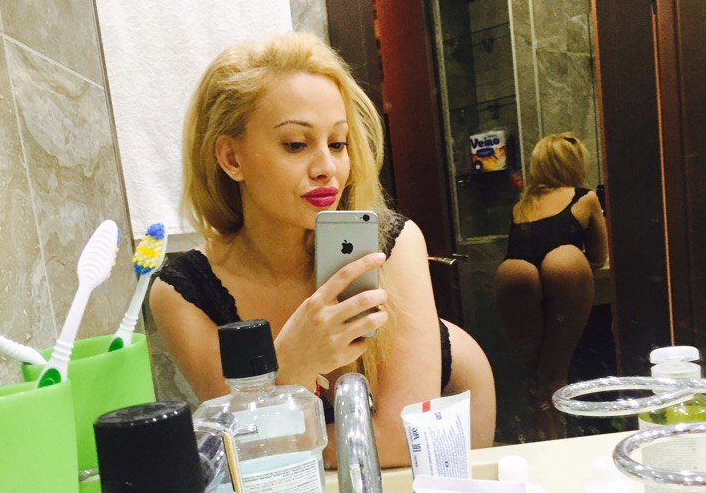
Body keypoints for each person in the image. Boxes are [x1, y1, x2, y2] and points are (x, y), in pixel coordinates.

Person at [150, 31, 495, 467]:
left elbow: (397, 441)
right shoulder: (184, 293)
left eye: (337, 143)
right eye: (296, 144)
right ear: (232, 159)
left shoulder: (392, 244)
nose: (327, 168)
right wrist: (291, 365)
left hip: (449, 421)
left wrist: (273, 421)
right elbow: (246, 454)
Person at [494, 133, 608, 440]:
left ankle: (535, 432)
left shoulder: (521, 206)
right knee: (554, 369)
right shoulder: (584, 198)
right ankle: (556, 435)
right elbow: (599, 257)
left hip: (514, 274)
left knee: (531, 369)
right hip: (565, 271)